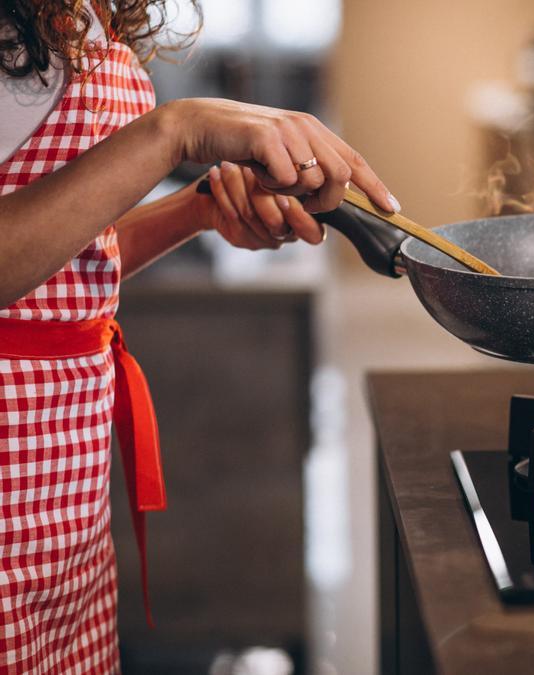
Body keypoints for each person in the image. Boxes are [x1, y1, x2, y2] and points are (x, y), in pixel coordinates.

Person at [0, 2, 398, 671]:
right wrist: (174, 131)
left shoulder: (79, 14)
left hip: (65, 499)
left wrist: (198, 209)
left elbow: (52, 269)